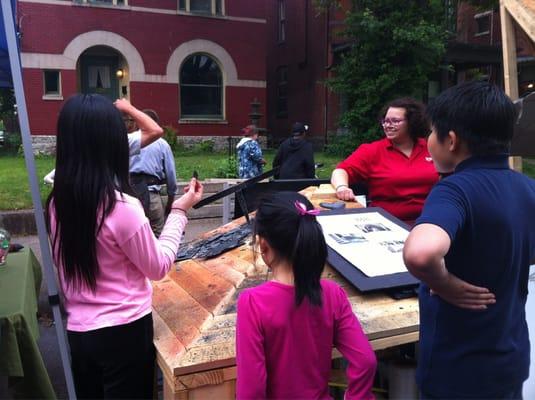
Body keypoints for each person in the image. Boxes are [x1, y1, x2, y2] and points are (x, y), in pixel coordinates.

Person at [45, 94, 203, 399]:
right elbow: (158, 266)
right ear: (114, 145)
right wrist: (180, 210)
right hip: (124, 333)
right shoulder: (121, 207)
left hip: (79, 332)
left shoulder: (56, 203)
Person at [403, 81, 535, 399]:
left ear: (451, 140)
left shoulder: (454, 189)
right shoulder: (527, 187)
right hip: (509, 358)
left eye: (431, 133)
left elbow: (420, 253)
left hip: (457, 369)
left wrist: (445, 282)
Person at [236, 192, 377, 399]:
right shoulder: (333, 294)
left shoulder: (253, 303)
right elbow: (366, 361)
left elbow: (252, 391)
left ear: (263, 246)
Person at [331, 98, 438, 225]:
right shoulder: (372, 151)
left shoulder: (432, 147)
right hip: (386, 224)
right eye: (385, 121)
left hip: (431, 223)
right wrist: (342, 187)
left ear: (412, 122)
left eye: (395, 121)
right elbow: (340, 171)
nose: (388, 125)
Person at [43, 98, 163, 185]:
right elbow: (155, 130)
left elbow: (52, 175)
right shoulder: (113, 142)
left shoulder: (74, 144)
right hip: (112, 206)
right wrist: (129, 108)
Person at [129, 109, 177, 237]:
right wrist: (171, 199)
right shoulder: (162, 144)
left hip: (129, 194)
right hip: (151, 195)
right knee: (157, 235)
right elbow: (170, 174)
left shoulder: (126, 141)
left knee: (133, 235)